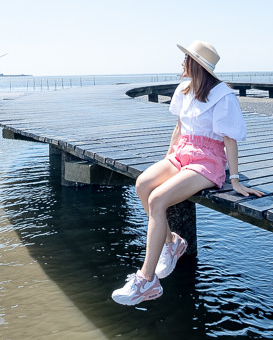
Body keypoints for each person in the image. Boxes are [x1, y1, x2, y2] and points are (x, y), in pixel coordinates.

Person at [111, 40, 264, 306]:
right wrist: (168, 158)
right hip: (182, 152)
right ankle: (172, 242)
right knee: (143, 184)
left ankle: (146, 281)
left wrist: (236, 180)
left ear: (196, 65)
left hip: (208, 161)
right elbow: (179, 127)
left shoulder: (222, 96)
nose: (182, 63)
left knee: (158, 199)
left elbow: (229, 140)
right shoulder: (184, 89)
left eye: (186, 59)